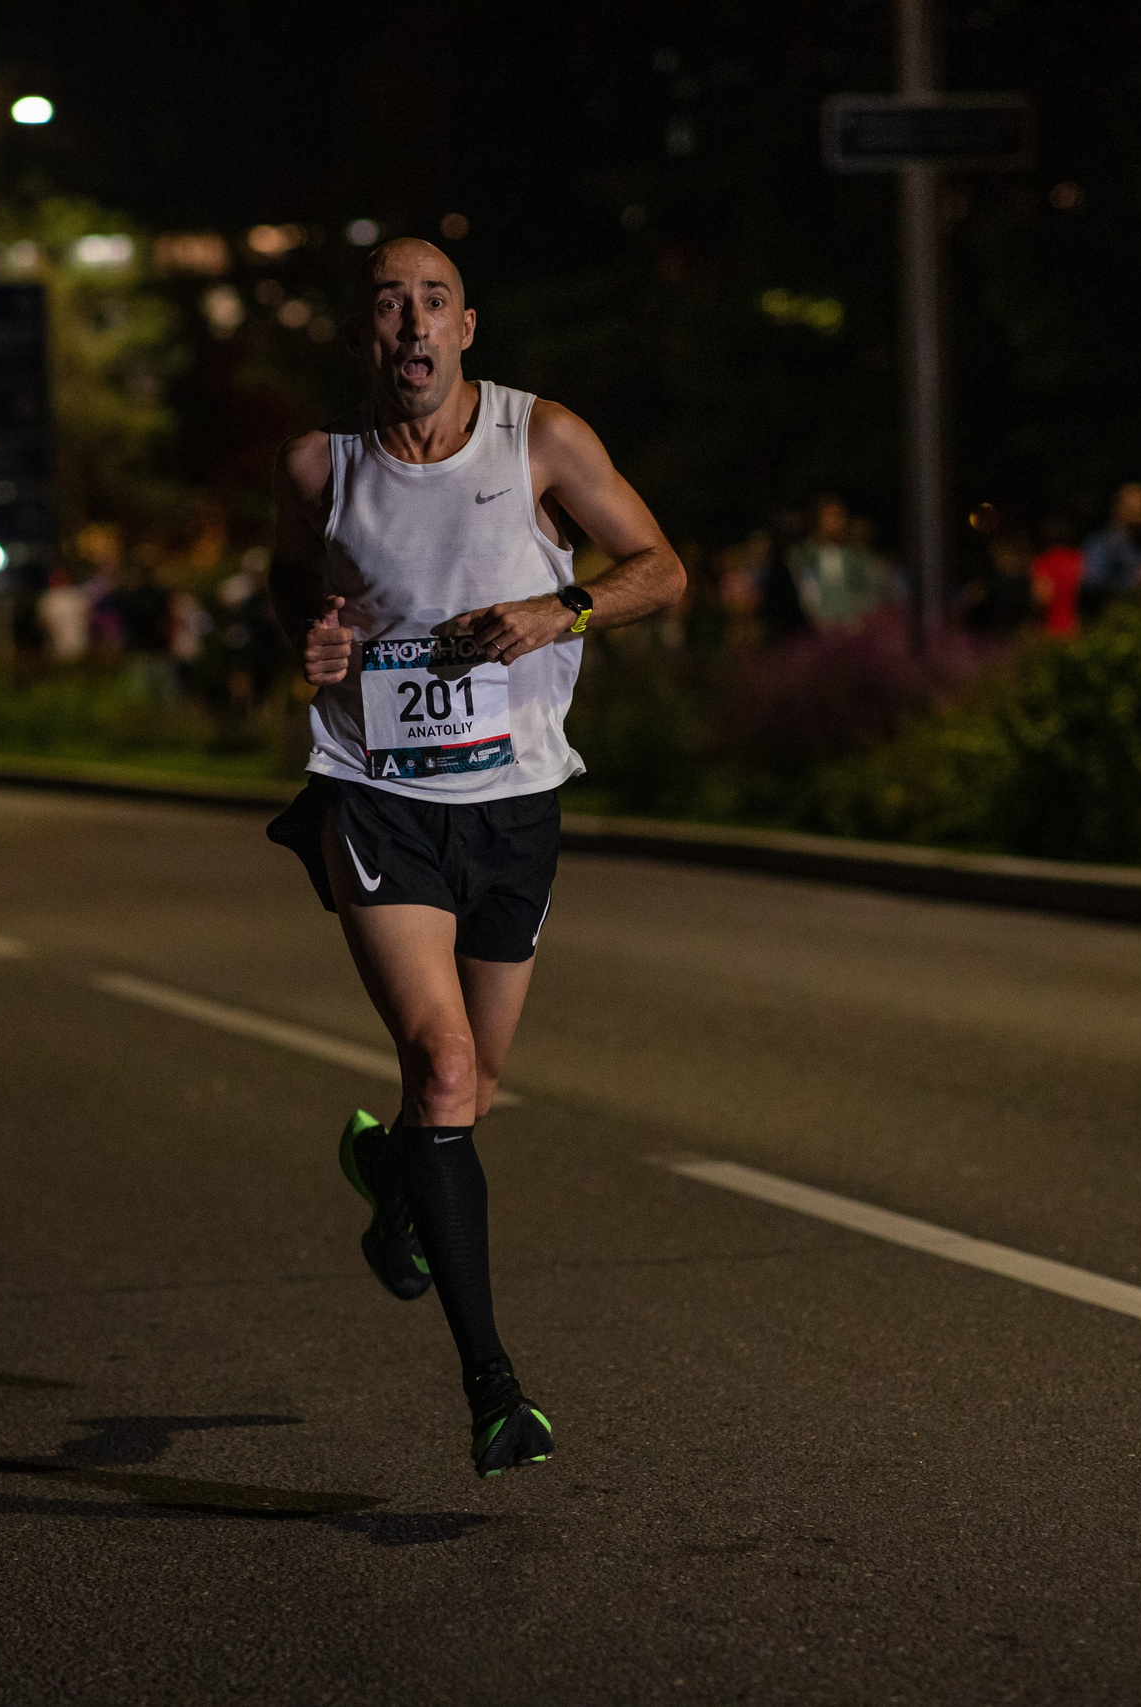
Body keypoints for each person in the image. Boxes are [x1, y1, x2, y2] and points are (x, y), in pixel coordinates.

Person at [266, 239, 684, 1476]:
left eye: (432, 303)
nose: (411, 325)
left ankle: (394, 1175)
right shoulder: (315, 467)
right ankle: (493, 1388)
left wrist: (564, 609)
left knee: (470, 1093)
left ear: (465, 329)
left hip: (515, 804)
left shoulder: (540, 438)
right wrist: (316, 638)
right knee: (442, 1067)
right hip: (375, 796)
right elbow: (291, 582)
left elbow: (662, 569)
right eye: (387, 305)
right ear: (361, 336)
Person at [786, 497, 899, 631]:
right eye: (830, 515)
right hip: (816, 628)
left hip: (852, 627)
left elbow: (867, 589)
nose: (835, 521)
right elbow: (806, 591)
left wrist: (856, 617)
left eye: (839, 515)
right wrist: (817, 619)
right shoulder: (804, 554)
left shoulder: (856, 554)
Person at [1078, 481, 1141, 623]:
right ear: (1120, 510)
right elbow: (1092, 586)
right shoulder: (1101, 545)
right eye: (1140, 510)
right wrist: (1135, 582)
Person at [1028, 509, 1085, 638]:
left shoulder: (1043, 562)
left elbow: (1042, 598)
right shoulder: (1078, 558)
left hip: (1050, 630)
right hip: (1075, 629)